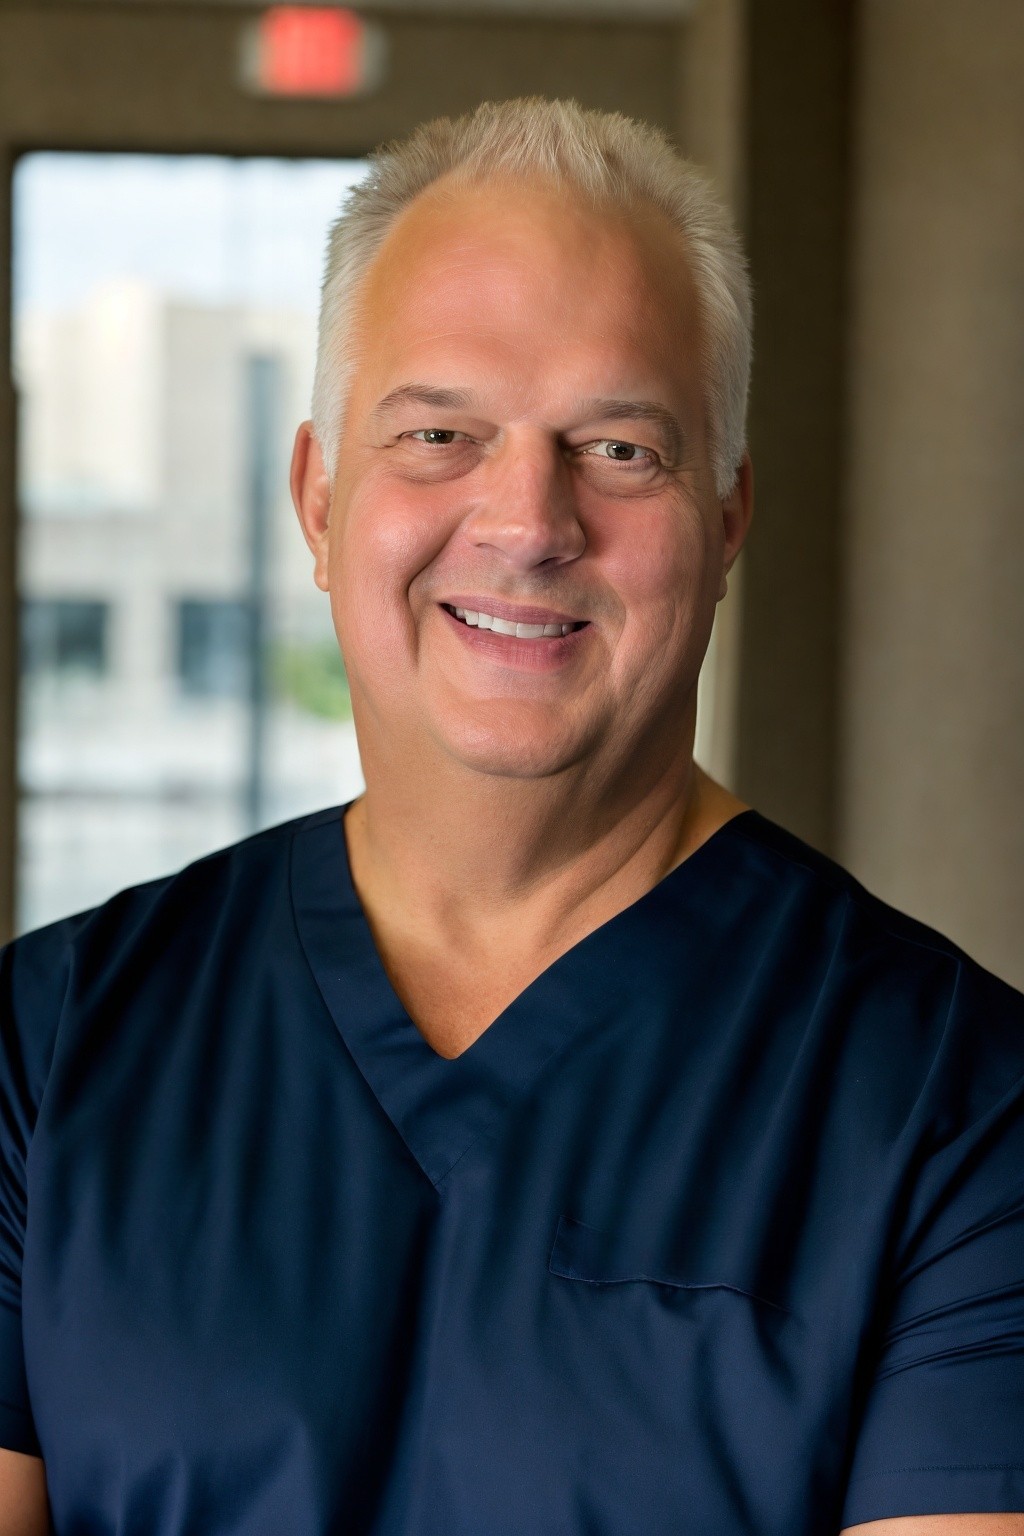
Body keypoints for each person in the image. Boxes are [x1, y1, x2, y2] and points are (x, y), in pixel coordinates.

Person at [0, 96, 1022, 1536]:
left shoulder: (957, 1109)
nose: (527, 519)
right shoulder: (48, 1054)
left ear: (727, 519)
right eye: (437, 433)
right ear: (317, 497)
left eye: (618, 449)